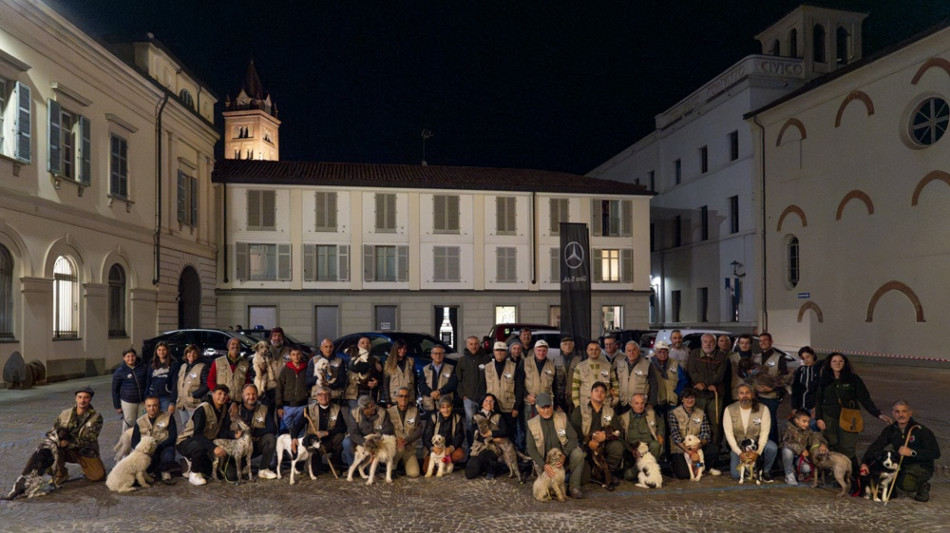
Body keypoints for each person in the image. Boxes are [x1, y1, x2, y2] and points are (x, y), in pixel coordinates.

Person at [814, 352, 890, 472]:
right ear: (829, 363)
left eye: (841, 361)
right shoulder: (824, 379)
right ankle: (836, 473)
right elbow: (818, 400)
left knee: (847, 447)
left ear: (845, 364)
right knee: (832, 444)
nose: (837, 364)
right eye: (834, 361)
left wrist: (877, 413)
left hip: (849, 417)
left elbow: (865, 398)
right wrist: (819, 418)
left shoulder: (853, 379)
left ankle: (853, 474)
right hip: (829, 417)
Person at [861, 401, 941, 502]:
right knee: (888, 482)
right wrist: (864, 463)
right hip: (902, 465)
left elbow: (935, 453)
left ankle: (922, 486)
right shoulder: (891, 430)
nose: (901, 415)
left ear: (910, 413)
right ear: (893, 413)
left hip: (921, 466)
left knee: (905, 484)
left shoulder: (921, 430)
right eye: (897, 412)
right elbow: (876, 446)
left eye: (904, 411)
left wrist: (912, 452)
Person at [526, 392, 586, 499]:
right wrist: (543, 464)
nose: (546, 410)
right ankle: (555, 486)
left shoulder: (562, 418)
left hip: (562, 458)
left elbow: (573, 438)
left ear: (552, 405)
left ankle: (573, 487)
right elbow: (531, 448)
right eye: (542, 408)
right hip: (545, 462)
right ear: (537, 408)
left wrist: (564, 454)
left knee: (579, 454)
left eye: (548, 407)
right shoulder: (531, 424)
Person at [176, 384, 236, 486]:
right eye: (219, 393)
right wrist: (214, 448)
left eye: (225, 394)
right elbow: (197, 435)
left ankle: (189, 462)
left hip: (207, 441)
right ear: (213, 394)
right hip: (187, 442)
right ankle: (194, 473)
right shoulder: (203, 408)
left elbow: (221, 431)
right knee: (200, 446)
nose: (222, 397)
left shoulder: (224, 408)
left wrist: (234, 434)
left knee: (214, 472)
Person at [570, 382, 623, 489]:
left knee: (617, 447)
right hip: (584, 447)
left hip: (602, 449)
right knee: (584, 479)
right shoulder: (580, 410)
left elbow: (618, 431)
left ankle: (608, 473)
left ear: (605, 396)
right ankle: (592, 472)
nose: (599, 394)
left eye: (603, 392)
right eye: (596, 391)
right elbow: (573, 431)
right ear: (591, 393)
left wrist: (605, 436)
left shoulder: (610, 412)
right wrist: (587, 442)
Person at [723, 383, 777, 481]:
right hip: (739, 445)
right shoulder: (729, 409)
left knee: (772, 447)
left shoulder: (763, 409)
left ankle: (765, 471)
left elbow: (765, 432)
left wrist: (758, 452)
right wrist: (739, 453)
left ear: (752, 394)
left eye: (747, 393)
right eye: (741, 393)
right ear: (737, 395)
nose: (744, 396)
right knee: (736, 475)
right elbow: (729, 434)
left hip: (756, 443)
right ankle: (749, 470)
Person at [53, 386, 105, 483]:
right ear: (76, 398)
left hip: (85, 451)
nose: (82, 400)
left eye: (86, 397)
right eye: (80, 397)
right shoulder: (65, 413)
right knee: (48, 453)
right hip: (65, 450)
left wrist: (68, 443)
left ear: (90, 399)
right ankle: (61, 472)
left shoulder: (96, 417)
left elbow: (88, 439)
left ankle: (86, 466)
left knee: (98, 476)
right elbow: (53, 431)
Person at [685, 334, 728, 446]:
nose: (708, 344)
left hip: (715, 395)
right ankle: (697, 447)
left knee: (715, 424)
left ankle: (714, 449)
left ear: (715, 343)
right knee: (697, 422)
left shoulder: (721, 356)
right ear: (701, 343)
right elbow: (691, 371)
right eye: (705, 342)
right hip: (698, 395)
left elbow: (720, 374)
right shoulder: (694, 354)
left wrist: (707, 384)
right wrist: (701, 384)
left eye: (711, 342)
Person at [668, 388, 720, 479]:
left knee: (713, 449)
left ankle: (703, 467)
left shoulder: (700, 413)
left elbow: (706, 433)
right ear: (682, 399)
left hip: (697, 447)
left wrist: (698, 446)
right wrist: (689, 452)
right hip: (681, 449)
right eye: (687, 398)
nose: (690, 400)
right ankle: (679, 467)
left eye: (692, 398)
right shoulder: (674, 413)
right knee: (684, 475)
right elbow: (675, 436)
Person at [485, 341, 524, 450]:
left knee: (510, 434)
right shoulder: (487, 368)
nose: (500, 353)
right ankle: (496, 459)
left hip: (509, 408)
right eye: (497, 350)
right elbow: (483, 387)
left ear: (506, 352)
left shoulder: (514, 367)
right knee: (494, 434)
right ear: (494, 352)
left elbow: (519, 388)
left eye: (502, 350)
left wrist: (516, 407)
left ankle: (512, 458)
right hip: (492, 408)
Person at [234, 383, 278, 479]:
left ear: (257, 395)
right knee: (232, 475)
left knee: (270, 438)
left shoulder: (264, 409)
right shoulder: (236, 409)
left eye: (254, 394)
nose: (251, 397)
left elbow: (272, 428)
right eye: (248, 394)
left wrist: (254, 430)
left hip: (255, 444)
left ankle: (263, 469)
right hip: (239, 448)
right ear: (242, 395)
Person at [650, 341, 686, 455]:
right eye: (660, 351)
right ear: (656, 352)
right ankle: (659, 454)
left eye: (665, 351)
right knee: (656, 429)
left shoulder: (674, 364)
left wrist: (676, 393)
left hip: (671, 402)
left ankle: (671, 455)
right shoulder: (649, 363)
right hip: (656, 402)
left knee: (671, 429)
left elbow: (683, 381)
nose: (663, 354)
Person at [752, 332, 788, 444]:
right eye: (761, 341)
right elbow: (751, 377)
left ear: (771, 342)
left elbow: (785, 379)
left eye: (766, 340)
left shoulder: (779, 358)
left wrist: (772, 388)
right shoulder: (756, 358)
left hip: (771, 398)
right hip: (757, 397)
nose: (763, 343)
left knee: (771, 425)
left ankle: (773, 450)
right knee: (758, 424)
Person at [131, 396, 178, 482]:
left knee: (169, 454)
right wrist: (142, 451)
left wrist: (158, 446)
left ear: (159, 405)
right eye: (149, 406)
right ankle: (152, 470)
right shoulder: (139, 421)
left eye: (154, 405)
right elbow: (134, 442)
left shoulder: (168, 417)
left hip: (163, 447)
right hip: (146, 451)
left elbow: (173, 437)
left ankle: (165, 471)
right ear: (145, 407)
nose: (152, 408)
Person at [620, 393, 666, 481]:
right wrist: (631, 450)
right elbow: (621, 439)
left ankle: (648, 470)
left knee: (655, 445)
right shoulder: (623, 418)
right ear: (631, 404)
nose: (640, 406)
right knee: (629, 476)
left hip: (649, 448)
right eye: (637, 403)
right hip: (633, 450)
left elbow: (661, 425)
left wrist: (660, 436)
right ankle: (642, 470)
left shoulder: (651, 414)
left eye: (642, 403)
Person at [521, 339, 557, 447]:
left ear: (547, 351)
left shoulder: (551, 365)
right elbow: (519, 382)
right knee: (530, 427)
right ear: (534, 350)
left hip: (546, 404)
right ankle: (529, 451)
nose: (541, 353)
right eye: (539, 350)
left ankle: (543, 450)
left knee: (545, 427)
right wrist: (526, 395)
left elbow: (554, 385)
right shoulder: (525, 362)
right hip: (530, 402)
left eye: (544, 350)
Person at [456, 335, 490, 446]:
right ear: (467, 345)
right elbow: (458, 378)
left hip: (483, 398)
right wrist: (462, 394)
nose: (474, 346)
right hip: (468, 398)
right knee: (470, 424)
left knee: (484, 423)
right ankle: (471, 447)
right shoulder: (462, 360)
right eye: (471, 344)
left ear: (479, 344)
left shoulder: (486, 359)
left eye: (476, 344)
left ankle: (483, 447)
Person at [465, 393, 510, 479]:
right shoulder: (476, 417)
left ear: (494, 403)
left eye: (491, 401)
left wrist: (491, 434)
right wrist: (493, 439)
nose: (488, 403)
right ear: (482, 403)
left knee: (485, 455)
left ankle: (491, 470)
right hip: (480, 446)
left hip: (494, 447)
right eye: (486, 401)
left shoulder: (498, 416)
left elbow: (505, 431)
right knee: (470, 473)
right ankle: (487, 467)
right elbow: (476, 435)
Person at [303, 387, 346, 474]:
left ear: (330, 396)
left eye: (326, 394)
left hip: (330, 440)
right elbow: (298, 425)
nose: (323, 397)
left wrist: (327, 433)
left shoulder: (337, 409)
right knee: (313, 471)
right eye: (320, 395)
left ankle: (334, 463)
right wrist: (294, 438)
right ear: (317, 397)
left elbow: (342, 427)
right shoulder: (309, 409)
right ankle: (314, 463)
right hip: (314, 443)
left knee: (340, 436)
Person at [342, 395, 395, 466]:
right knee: (346, 442)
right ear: (364, 409)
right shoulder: (354, 413)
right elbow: (353, 433)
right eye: (371, 407)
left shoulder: (382, 412)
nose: (374, 407)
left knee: (370, 469)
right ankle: (353, 467)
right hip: (360, 439)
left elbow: (388, 428)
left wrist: (376, 438)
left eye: (374, 405)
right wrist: (365, 442)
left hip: (376, 439)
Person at [780, 408, 827, 485]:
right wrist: (801, 450)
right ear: (797, 420)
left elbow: (814, 435)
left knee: (807, 468)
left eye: (808, 422)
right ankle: (789, 474)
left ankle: (797, 472)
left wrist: (822, 443)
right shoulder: (787, 427)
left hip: (800, 457)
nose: (807, 424)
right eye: (804, 421)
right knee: (787, 451)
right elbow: (786, 442)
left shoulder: (807, 429)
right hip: (788, 456)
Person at [275, 346, 310, 449]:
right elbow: (279, 388)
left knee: (300, 432)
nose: (296, 357)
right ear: (290, 356)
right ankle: (281, 455)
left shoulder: (306, 369)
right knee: (284, 431)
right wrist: (279, 406)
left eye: (298, 354)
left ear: (302, 355)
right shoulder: (286, 369)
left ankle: (297, 454)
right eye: (293, 354)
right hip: (287, 406)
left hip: (302, 405)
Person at [387, 386, 423, 478]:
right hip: (395, 446)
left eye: (406, 396)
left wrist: (406, 440)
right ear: (396, 398)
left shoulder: (415, 411)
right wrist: (395, 438)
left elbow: (418, 431)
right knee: (400, 448)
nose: (404, 398)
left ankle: (402, 465)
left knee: (414, 473)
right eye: (401, 396)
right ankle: (393, 467)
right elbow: (386, 429)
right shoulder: (389, 412)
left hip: (409, 447)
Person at [422, 397, 466, 471]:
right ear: (439, 408)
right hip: (435, 449)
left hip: (448, 449)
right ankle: (439, 465)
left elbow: (460, 436)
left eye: (448, 407)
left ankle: (444, 464)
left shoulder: (457, 418)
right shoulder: (433, 418)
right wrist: (433, 448)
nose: (446, 410)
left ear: (451, 407)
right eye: (443, 407)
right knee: (426, 470)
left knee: (459, 454)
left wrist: (451, 448)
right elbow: (426, 437)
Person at [572, 342, 618, 410]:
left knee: (606, 420)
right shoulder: (580, 367)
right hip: (586, 404)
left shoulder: (608, 366)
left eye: (596, 349)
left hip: (605, 404)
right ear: (587, 351)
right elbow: (575, 387)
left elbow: (615, 384)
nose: (594, 351)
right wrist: (577, 404)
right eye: (591, 349)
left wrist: (615, 400)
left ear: (600, 351)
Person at [614, 341, 656, 414]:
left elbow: (654, 384)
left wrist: (651, 403)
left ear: (639, 351)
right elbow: (614, 382)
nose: (631, 353)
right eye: (629, 351)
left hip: (640, 405)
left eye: (634, 350)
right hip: (623, 404)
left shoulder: (647, 365)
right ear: (625, 352)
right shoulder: (619, 364)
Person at [172, 344, 209, 426]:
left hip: (194, 403)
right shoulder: (183, 366)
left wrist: (195, 394)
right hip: (182, 404)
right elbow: (178, 384)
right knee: (185, 426)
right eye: (189, 352)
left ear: (198, 354)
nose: (191, 355)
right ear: (186, 354)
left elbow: (207, 385)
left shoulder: (202, 367)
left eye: (194, 353)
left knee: (194, 426)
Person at [112, 348, 147, 431]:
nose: (130, 358)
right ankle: (126, 441)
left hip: (143, 401)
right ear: (124, 358)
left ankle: (140, 441)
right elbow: (115, 389)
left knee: (143, 422)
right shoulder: (120, 371)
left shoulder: (143, 368)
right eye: (128, 356)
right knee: (129, 423)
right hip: (128, 401)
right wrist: (117, 406)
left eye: (133, 356)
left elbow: (147, 383)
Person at [206, 338, 250, 402]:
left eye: (238, 344)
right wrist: (219, 393)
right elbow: (210, 381)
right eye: (233, 344)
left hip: (238, 401)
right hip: (221, 401)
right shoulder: (218, 362)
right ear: (228, 346)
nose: (235, 346)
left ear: (240, 347)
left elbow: (247, 381)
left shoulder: (245, 363)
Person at [418, 344, 457, 414]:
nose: (438, 356)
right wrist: (431, 393)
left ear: (444, 355)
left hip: (445, 405)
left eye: (440, 353)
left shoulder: (451, 368)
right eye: (435, 353)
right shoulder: (425, 369)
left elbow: (452, 384)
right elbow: (421, 385)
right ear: (431, 355)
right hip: (429, 404)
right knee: (430, 424)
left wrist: (440, 391)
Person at [307, 338, 347, 404]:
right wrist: (319, 380)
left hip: (334, 396)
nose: (328, 349)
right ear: (321, 348)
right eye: (326, 347)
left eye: (330, 347)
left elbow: (342, 381)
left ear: (333, 348)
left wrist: (330, 385)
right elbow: (307, 380)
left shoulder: (339, 361)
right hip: (317, 396)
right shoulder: (314, 360)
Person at [345, 341, 382, 408]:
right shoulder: (351, 358)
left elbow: (381, 376)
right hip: (355, 394)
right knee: (356, 416)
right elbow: (356, 367)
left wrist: (377, 383)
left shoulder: (377, 359)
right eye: (362, 343)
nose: (366, 345)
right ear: (358, 346)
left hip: (371, 393)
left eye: (368, 343)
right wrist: (373, 365)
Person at [146, 341, 177, 414]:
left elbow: (175, 383)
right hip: (152, 397)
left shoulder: (173, 364)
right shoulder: (152, 363)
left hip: (166, 397)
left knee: (164, 420)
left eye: (164, 350)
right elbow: (148, 381)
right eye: (159, 350)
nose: (161, 352)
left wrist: (173, 402)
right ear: (156, 351)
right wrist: (146, 397)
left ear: (167, 351)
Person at [382, 339, 415, 406]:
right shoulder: (388, 363)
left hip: (409, 399)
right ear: (395, 349)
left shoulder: (410, 362)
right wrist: (388, 402)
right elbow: (385, 384)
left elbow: (415, 381)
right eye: (400, 348)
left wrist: (415, 398)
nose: (402, 351)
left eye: (404, 349)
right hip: (394, 400)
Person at [791, 346, 821, 417]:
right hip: (801, 407)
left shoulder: (820, 369)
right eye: (803, 358)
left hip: (814, 407)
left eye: (807, 357)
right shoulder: (800, 370)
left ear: (813, 355)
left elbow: (820, 389)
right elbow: (795, 389)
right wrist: (795, 407)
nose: (806, 360)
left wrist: (817, 406)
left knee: (813, 425)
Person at [559, 336, 584, 415]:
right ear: (561, 347)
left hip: (574, 394)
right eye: (565, 344)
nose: (568, 346)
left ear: (573, 346)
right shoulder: (556, 360)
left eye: (570, 344)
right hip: (560, 395)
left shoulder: (580, 360)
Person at [728, 334, 754, 401]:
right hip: (736, 393)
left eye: (747, 343)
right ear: (738, 344)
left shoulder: (756, 358)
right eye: (742, 343)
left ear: (751, 344)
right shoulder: (732, 359)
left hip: (752, 393)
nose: (744, 345)